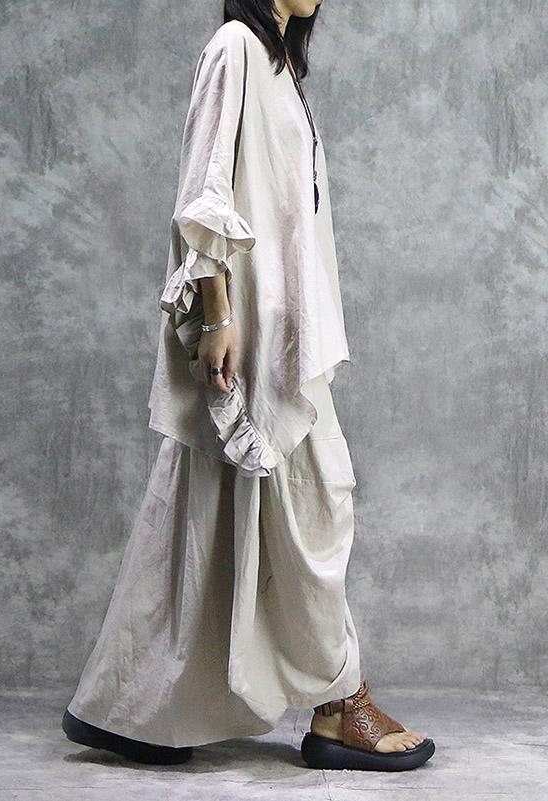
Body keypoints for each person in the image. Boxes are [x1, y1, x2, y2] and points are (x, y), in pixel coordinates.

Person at [62, 0, 435, 772]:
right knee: (312, 500)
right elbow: (205, 188)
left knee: (206, 503)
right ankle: (342, 704)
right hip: (253, 334)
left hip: (285, 335)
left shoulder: (280, 67)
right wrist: (218, 314)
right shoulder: (234, 46)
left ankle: (130, 706)